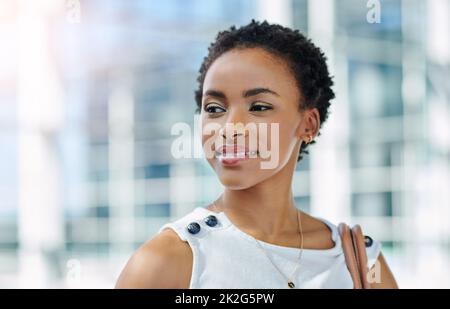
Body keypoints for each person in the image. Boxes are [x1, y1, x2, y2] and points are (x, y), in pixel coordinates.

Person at [116, 20, 398, 289]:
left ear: (308, 124)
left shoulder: (360, 260)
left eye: (259, 107)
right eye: (214, 108)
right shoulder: (167, 263)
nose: (230, 128)